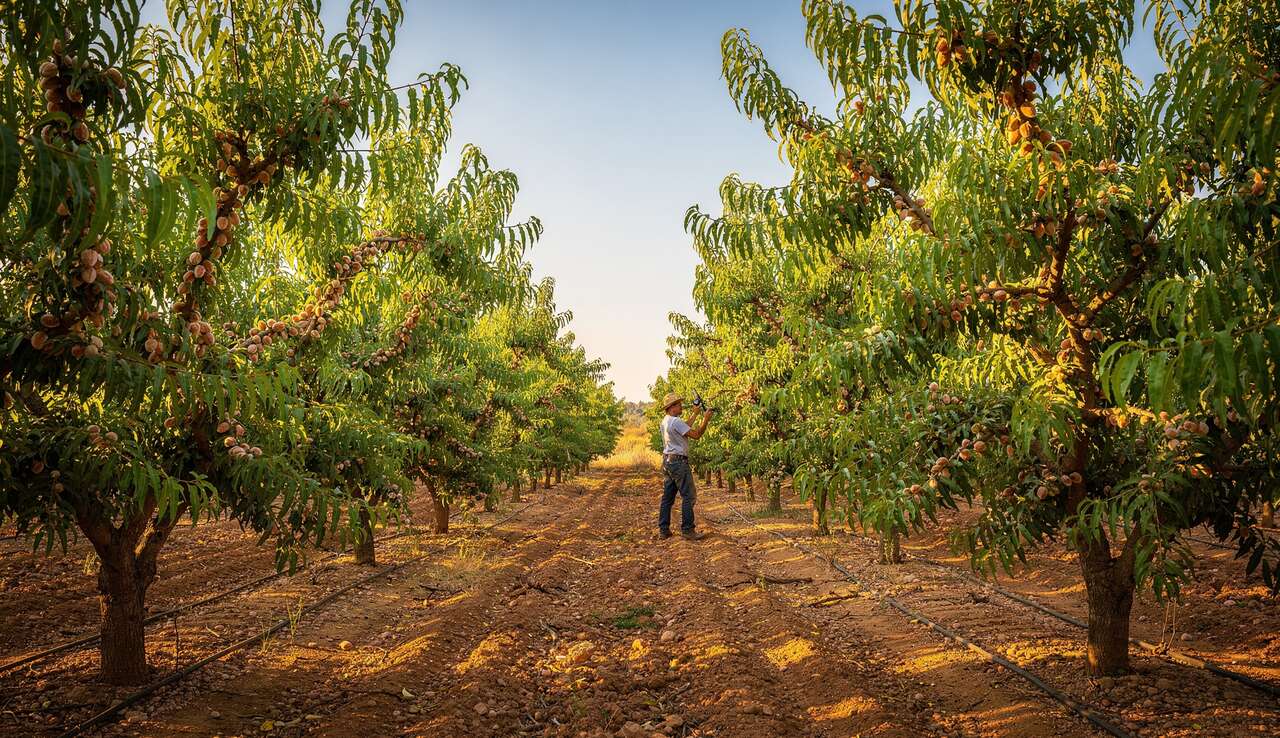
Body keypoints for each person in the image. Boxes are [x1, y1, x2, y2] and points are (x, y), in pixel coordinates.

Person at [657, 391, 713, 540]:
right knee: (689, 496)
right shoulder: (675, 421)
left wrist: (695, 414)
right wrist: (705, 419)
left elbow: (684, 427)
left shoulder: (666, 421)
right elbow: (696, 435)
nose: (681, 406)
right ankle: (688, 530)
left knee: (667, 498)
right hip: (678, 462)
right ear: (671, 407)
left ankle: (663, 530)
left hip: (668, 461)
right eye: (679, 404)